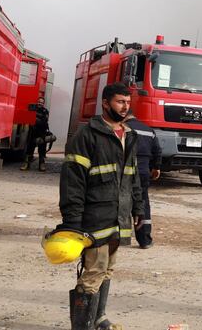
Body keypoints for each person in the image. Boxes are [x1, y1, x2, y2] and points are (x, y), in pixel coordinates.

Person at [59, 82, 144, 330]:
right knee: (93, 273)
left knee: (108, 270)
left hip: (119, 216)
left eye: (128, 102)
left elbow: (133, 176)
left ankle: (99, 318)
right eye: (120, 101)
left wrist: (138, 208)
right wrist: (72, 220)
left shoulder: (129, 134)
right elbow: (73, 181)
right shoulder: (87, 135)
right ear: (105, 104)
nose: (125, 106)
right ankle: (82, 326)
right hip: (94, 217)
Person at [124, 114, 162, 249]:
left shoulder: (123, 128)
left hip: (125, 172)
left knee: (120, 203)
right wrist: (156, 167)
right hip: (143, 172)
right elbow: (157, 151)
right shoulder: (149, 130)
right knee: (143, 204)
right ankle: (145, 240)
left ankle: (116, 238)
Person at [21, 97, 49, 171]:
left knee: (42, 149)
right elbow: (27, 117)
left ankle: (41, 164)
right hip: (32, 132)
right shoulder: (33, 109)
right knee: (30, 148)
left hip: (42, 133)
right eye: (39, 102)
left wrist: (35, 120)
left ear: (43, 104)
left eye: (42, 102)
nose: (40, 103)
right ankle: (26, 163)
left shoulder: (45, 111)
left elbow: (44, 122)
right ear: (37, 102)